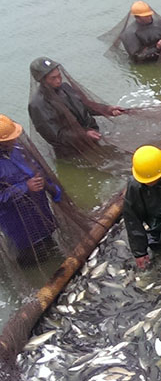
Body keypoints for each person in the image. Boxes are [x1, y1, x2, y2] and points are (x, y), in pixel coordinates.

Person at [28, 57, 124, 158]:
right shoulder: (37, 105)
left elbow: (85, 105)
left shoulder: (65, 88)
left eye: (59, 75)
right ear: (42, 80)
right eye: (53, 78)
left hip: (91, 135)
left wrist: (107, 109)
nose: (58, 80)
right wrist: (84, 135)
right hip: (72, 150)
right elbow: (55, 135)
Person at [0, 115, 61, 266]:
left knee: (49, 243)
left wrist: (54, 190)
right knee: (30, 258)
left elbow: (38, 169)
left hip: (39, 209)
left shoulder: (17, 149)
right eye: (10, 139)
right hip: (16, 221)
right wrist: (25, 187)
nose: (15, 140)